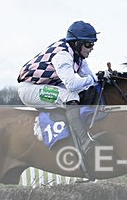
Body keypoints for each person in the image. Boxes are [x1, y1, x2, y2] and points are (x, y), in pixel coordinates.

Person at [17, 21, 104, 154]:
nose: (91, 47)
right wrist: (93, 79)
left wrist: (105, 76)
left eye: (93, 43)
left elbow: (91, 78)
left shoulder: (78, 55)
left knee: (83, 90)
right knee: (71, 95)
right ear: (77, 43)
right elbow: (72, 84)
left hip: (47, 84)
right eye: (88, 44)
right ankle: (84, 141)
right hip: (30, 89)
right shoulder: (63, 56)